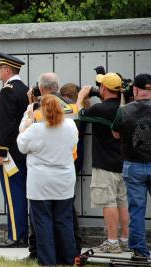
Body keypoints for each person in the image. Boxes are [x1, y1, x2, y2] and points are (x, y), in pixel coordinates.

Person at [23, 74, 82, 259]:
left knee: (42, 222)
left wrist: (28, 117)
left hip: (40, 182)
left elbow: (21, 145)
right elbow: (74, 143)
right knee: (64, 221)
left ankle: (48, 260)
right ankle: (68, 258)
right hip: (65, 177)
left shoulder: (35, 125)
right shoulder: (71, 122)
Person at [76, 72, 129, 253]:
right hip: (123, 163)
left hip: (105, 164)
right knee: (122, 202)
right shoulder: (125, 107)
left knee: (109, 203)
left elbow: (79, 115)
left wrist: (81, 97)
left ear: (104, 89)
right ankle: (124, 240)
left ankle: (112, 242)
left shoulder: (101, 109)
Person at [0, 52, 29, 248]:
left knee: (13, 195)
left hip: (10, 154)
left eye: (0, 68)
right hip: (22, 150)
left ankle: (16, 236)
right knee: (20, 192)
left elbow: (7, 125)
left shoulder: (8, 91)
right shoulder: (25, 89)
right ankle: (20, 233)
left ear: (7, 70)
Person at [111, 73, 151, 259]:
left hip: (133, 166)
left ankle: (140, 252)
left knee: (136, 210)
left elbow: (116, 134)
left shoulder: (124, 110)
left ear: (135, 89)